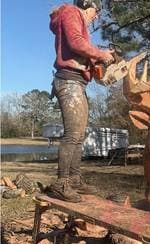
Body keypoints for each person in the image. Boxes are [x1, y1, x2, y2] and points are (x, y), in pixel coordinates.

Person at [49, 0, 114, 202]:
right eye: (96, 11)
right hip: (68, 81)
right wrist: (101, 53)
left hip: (78, 82)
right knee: (72, 134)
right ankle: (61, 183)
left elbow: (80, 48)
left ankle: (74, 179)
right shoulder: (71, 12)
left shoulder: (78, 21)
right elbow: (76, 42)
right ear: (87, 4)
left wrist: (98, 61)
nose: (96, 16)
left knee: (80, 134)